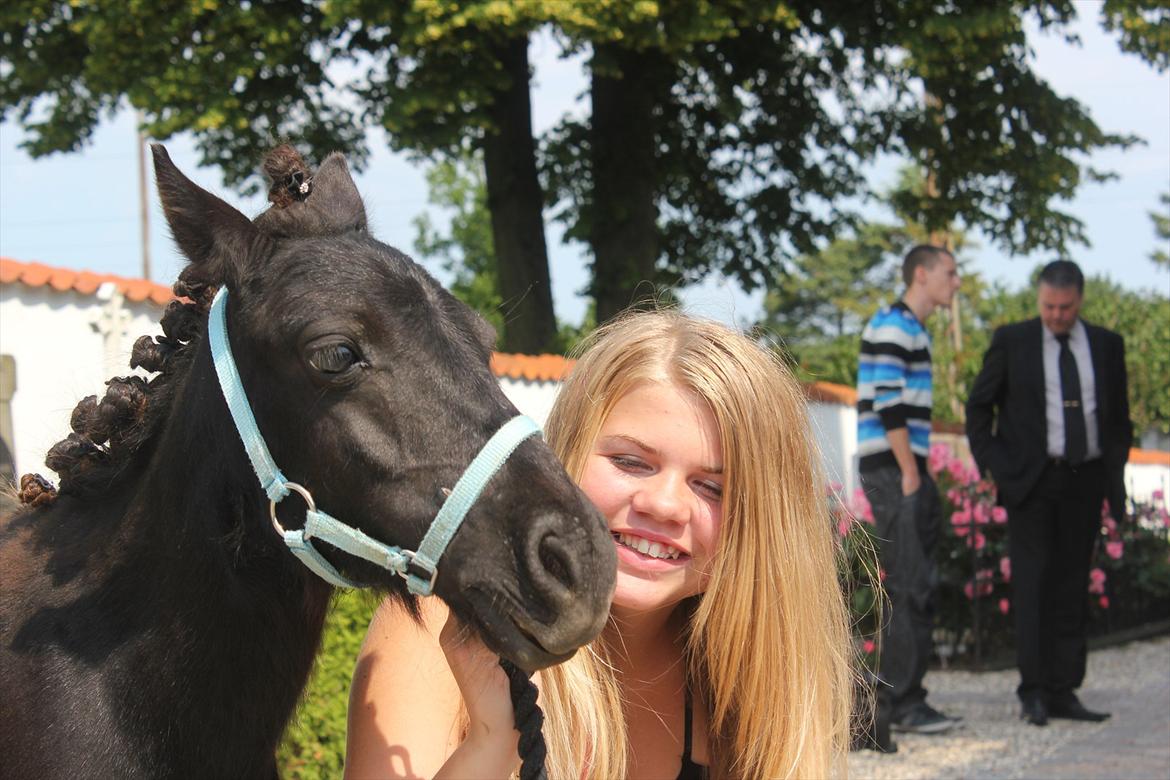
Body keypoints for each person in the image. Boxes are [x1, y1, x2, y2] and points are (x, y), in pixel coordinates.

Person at [344, 310, 855, 779]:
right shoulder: (443, 626)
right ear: (562, 457)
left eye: (713, 488)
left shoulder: (745, 685)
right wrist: (492, 741)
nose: (666, 505)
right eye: (631, 462)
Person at [966, 260, 1131, 727]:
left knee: (1072, 586)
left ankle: (1064, 689)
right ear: (1039, 300)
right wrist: (996, 465)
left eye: (1066, 307)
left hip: (1086, 480)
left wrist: (1113, 478)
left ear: (1080, 300)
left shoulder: (1106, 345)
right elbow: (979, 408)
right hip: (1031, 485)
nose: (1057, 315)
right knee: (1033, 586)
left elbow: (1118, 417)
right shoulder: (1012, 341)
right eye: (1049, 307)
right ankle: (1033, 690)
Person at [855, 244, 962, 738]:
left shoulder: (909, 327)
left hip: (902, 465)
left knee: (917, 579)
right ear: (922, 274)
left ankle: (908, 697)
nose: (956, 281)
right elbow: (887, 401)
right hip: (895, 467)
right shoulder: (895, 325)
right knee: (908, 582)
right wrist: (909, 471)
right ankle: (902, 704)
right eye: (950, 272)